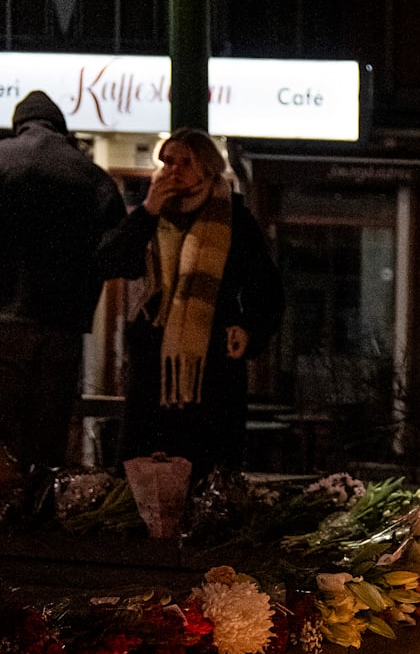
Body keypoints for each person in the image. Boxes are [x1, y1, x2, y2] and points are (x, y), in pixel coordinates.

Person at [97, 128, 283, 474]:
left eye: (185, 162)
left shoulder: (234, 219)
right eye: (167, 161)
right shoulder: (151, 217)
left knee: (205, 463)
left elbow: (267, 288)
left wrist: (249, 330)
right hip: (154, 365)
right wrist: (147, 211)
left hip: (212, 362)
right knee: (145, 465)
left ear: (207, 169)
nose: (173, 169)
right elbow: (112, 262)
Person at [0, 90, 125, 470]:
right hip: (62, 324)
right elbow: (115, 252)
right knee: (48, 426)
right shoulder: (91, 175)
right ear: (62, 128)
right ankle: (38, 506)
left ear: (18, 125)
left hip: (3, 321)